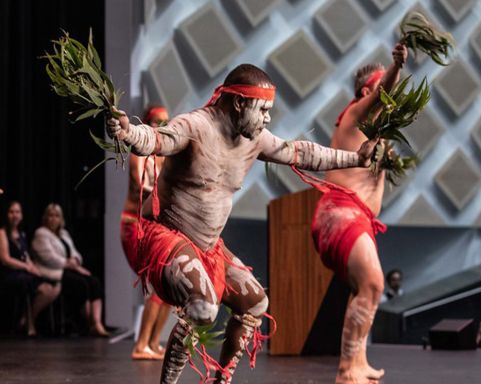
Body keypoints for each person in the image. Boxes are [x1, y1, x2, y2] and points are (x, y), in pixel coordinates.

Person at [107, 63, 381, 384]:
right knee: (203, 309)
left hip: (209, 248)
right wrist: (128, 133)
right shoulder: (195, 126)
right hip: (168, 236)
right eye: (262, 109)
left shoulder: (255, 139)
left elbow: (300, 153)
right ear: (239, 103)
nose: (267, 118)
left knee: (255, 304)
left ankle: (222, 381)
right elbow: (156, 140)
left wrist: (355, 159)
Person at [311, 43, 407, 384]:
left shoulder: (376, 135)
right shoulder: (355, 114)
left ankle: (358, 360)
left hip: (357, 217)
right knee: (374, 283)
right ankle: (345, 368)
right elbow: (383, 93)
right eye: (386, 88)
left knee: (362, 289)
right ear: (368, 92)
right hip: (340, 213)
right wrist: (396, 67)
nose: (393, 95)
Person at [120, 105, 171, 360]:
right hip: (135, 225)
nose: (161, 127)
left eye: (165, 122)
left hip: (154, 227)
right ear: (147, 124)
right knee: (156, 283)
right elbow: (142, 186)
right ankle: (141, 345)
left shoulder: (164, 157)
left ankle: (152, 342)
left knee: (167, 287)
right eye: (156, 122)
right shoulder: (139, 153)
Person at [32, 203, 109, 336]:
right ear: (45, 217)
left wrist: (76, 261)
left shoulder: (64, 234)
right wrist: (71, 264)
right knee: (81, 284)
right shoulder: (41, 234)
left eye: (56, 216)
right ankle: (88, 323)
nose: (53, 219)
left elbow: (75, 253)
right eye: (50, 215)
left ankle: (97, 323)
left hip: (69, 269)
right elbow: (49, 258)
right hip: (53, 272)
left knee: (94, 282)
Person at [0, 201, 60, 336]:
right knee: (36, 286)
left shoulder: (21, 234)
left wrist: (33, 268)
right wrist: (27, 267)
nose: (14, 215)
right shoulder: (2, 233)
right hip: (9, 273)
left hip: (23, 271)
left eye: (17, 212)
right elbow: (5, 259)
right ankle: (29, 323)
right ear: (7, 214)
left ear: (21, 215)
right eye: (11, 212)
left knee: (51, 286)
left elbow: (25, 256)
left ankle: (27, 318)